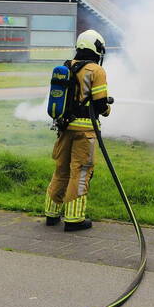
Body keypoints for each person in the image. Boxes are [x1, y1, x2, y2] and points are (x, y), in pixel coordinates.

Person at [44, 29, 111, 232]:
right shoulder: (95, 71)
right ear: (97, 48)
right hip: (85, 130)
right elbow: (100, 105)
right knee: (81, 171)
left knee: (61, 170)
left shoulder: (67, 66)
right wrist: (107, 108)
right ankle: (74, 219)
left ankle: (51, 213)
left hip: (64, 128)